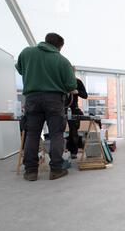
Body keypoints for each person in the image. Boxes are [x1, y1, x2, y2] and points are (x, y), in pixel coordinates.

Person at [16, 33, 77, 181]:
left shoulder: (26, 52)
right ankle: (56, 170)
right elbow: (71, 85)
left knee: (32, 134)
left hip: (32, 98)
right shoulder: (62, 61)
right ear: (59, 46)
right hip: (54, 100)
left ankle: (31, 172)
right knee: (56, 134)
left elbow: (20, 69)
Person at [66, 67, 88, 159]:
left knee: (73, 130)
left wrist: (77, 91)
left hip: (73, 109)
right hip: (60, 108)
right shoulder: (59, 82)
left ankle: (73, 151)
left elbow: (85, 95)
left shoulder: (77, 82)